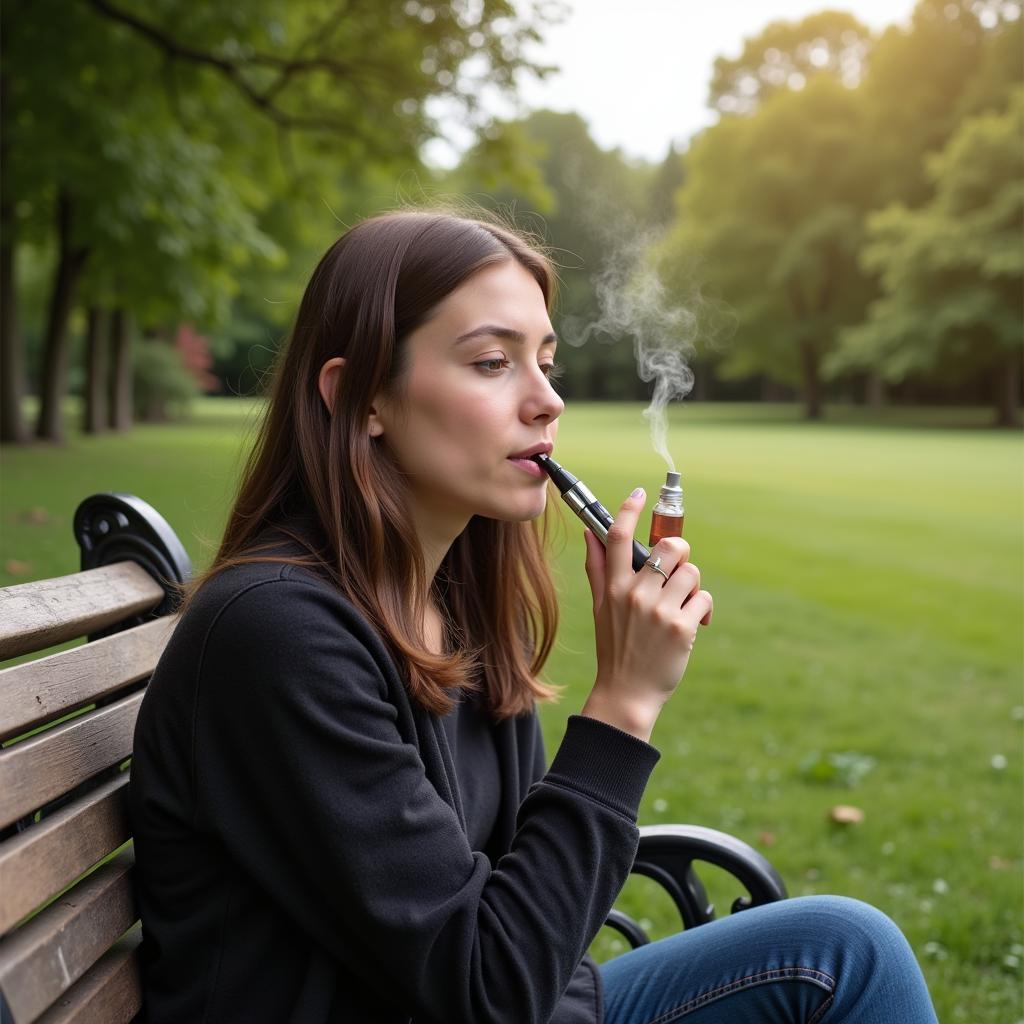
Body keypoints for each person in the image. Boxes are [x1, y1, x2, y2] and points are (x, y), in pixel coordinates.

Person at [130, 209, 938, 1023]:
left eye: (546, 363)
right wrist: (623, 708)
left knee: (845, 948)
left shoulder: (462, 608)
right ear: (360, 398)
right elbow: (488, 987)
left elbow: (527, 932)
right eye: (492, 362)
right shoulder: (277, 636)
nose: (547, 401)